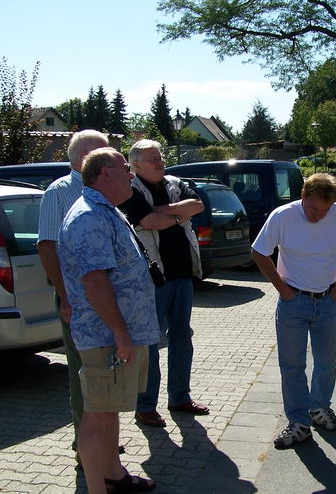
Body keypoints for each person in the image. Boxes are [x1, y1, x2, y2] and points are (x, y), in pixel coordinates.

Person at [58, 147, 158, 494]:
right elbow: (94, 281)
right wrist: (120, 333)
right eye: (124, 169)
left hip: (116, 335)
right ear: (103, 175)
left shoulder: (106, 211)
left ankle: (114, 476)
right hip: (104, 336)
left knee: (110, 407)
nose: (131, 174)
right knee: (97, 413)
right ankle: (97, 488)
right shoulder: (89, 216)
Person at [251, 173, 336, 449]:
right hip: (294, 302)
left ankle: (320, 409)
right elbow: (259, 252)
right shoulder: (283, 216)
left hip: (327, 301)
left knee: (327, 362)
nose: (318, 216)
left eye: (325, 210)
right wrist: (282, 289)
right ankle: (299, 422)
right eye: (313, 209)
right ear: (303, 196)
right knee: (292, 365)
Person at [118, 139, 209, 427]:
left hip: (182, 275)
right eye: (153, 159)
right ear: (135, 165)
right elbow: (148, 221)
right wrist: (178, 214)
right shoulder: (129, 189)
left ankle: (180, 397)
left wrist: (165, 210)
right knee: (151, 342)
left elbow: (198, 205)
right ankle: (145, 405)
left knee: (183, 337)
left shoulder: (174, 183)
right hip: (152, 277)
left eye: (161, 157)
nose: (161, 162)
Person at [37, 129, 110, 461]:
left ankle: (99, 439)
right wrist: (65, 297)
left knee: (102, 372)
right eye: (106, 154)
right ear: (85, 159)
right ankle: (87, 449)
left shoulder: (103, 193)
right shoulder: (60, 192)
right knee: (83, 371)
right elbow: (47, 247)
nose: (115, 161)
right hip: (78, 299)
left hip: (103, 298)